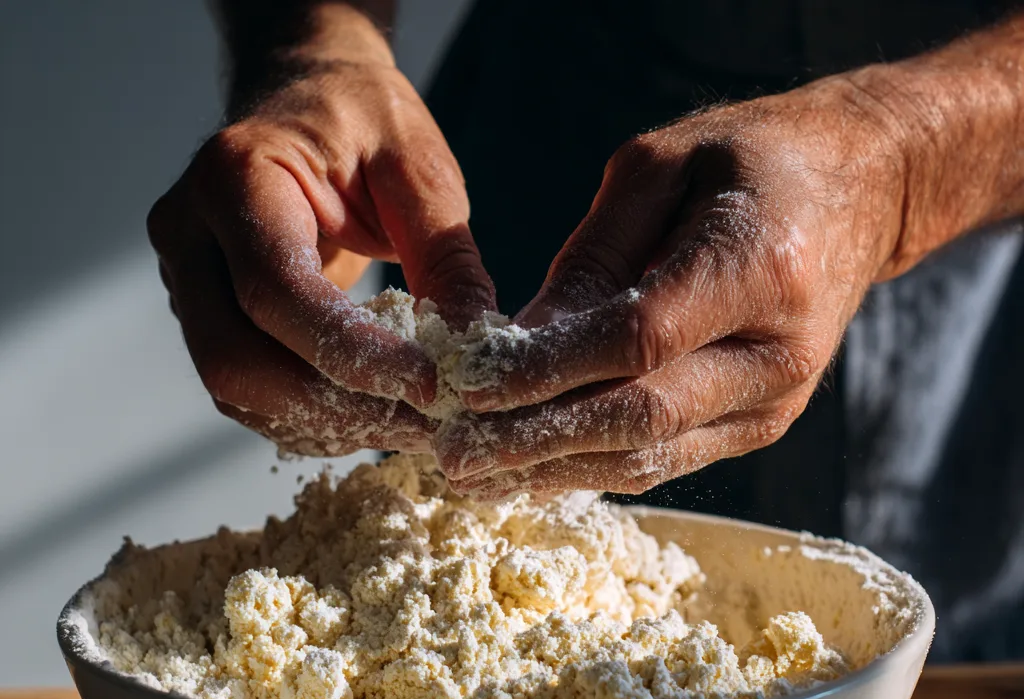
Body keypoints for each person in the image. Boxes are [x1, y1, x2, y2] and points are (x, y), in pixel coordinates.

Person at [147, 1, 1024, 661]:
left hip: (977, 181)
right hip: (551, 125)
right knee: (450, 612)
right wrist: (314, 45)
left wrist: (904, 167)